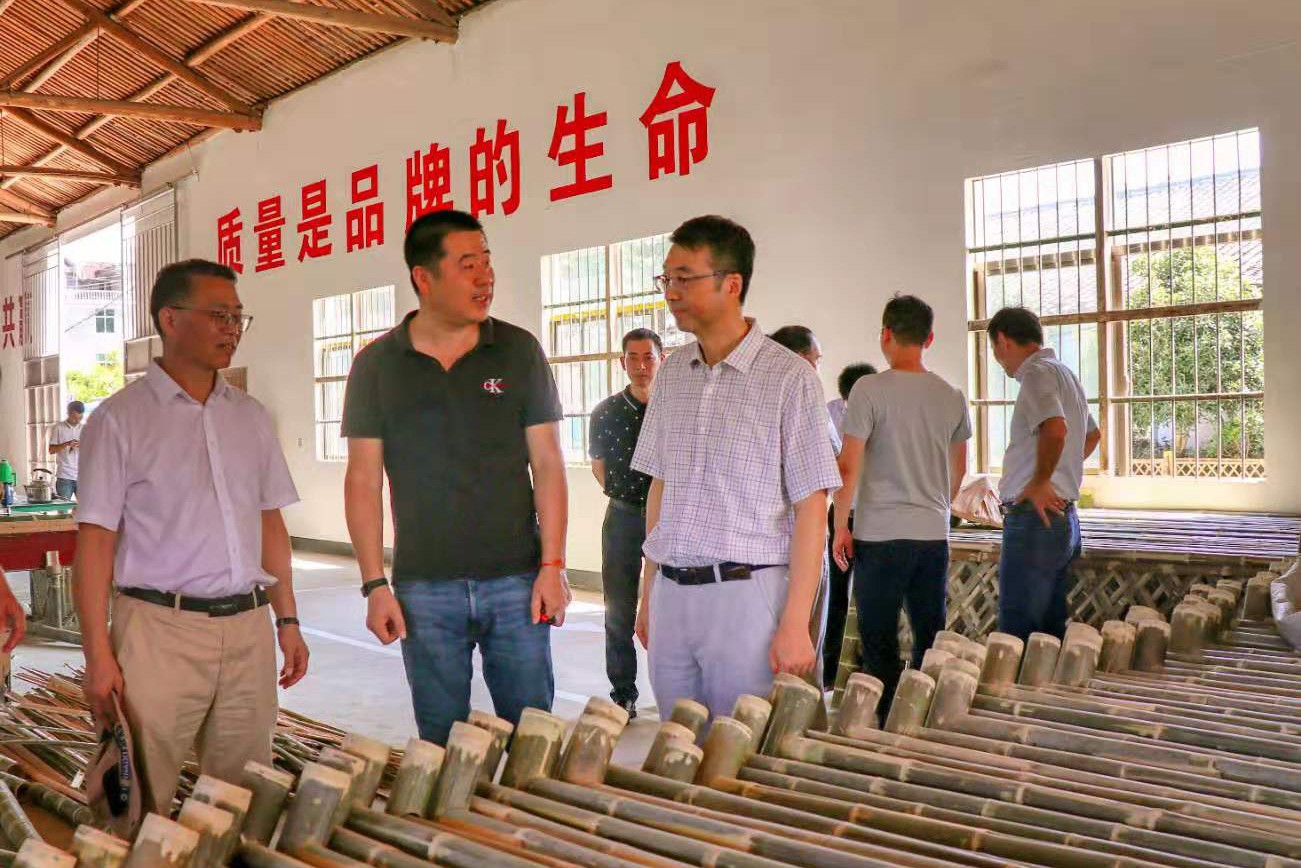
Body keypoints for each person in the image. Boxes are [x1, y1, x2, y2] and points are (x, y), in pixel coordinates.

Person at [75, 259, 309, 819]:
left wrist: (288, 620)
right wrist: (97, 655)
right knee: (136, 800)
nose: (231, 329)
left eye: (237, 317)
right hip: (159, 632)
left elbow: (269, 525)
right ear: (171, 319)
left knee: (240, 800)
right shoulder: (120, 420)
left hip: (248, 629)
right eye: (218, 315)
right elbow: (96, 545)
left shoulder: (251, 418)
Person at [342, 209, 570, 746]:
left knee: (533, 737)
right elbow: (363, 480)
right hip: (424, 589)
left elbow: (548, 463)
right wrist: (375, 584)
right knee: (440, 743)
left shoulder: (518, 351)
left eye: (487, 262)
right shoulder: (377, 366)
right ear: (424, 277)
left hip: (517, 582)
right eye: (469, 265)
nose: (486, 276)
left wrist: (553, 566)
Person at [631, 215, 840, 722]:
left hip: (748, 595)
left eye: (685, 278)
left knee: (742, 747)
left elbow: (813, 508)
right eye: (666, 278)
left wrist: (796, 622)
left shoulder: (789, 378)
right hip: (672, 595)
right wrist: (648, 591)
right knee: (678, 745)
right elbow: (660, 486)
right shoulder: (673, 373)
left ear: (731, 284)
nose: (671, 291)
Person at [833, 294, 970, 721]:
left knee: (878, 638)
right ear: (930, 338)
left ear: (885, 335)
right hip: (931, 534)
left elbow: (848, 466)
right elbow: (959, 469)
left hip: (879, 534)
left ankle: (885, 721)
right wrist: (935, 505)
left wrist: (840, 526)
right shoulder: (951, 395)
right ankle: (924, 719)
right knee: (930, 634)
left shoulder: (869, 389)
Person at [988, 307, 1100, 641]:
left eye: (994, 349)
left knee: (1016, 631)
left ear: (1003, 340)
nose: (998, 360)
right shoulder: (1065, 373)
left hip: (1035, 519)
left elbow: (1055, 428)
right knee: (1047, 630)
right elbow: (1092, 435)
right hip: (1062, 517)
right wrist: (1060, 472)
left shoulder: (1036, 373)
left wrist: (1040, 482)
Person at [589, 328, 664, 718]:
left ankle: (671, 688)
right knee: (617, 608)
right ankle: (623, 692)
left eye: (648, 357)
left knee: (669, 604)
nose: (641, 365)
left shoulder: (673, 409)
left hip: (669, 519)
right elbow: (599, 467)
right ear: (622, 362)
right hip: (622, 516)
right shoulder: (605, 412)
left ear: (661, 360)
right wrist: (627, 499)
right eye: (633, 357)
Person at [822, 362, 876, 685]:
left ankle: (866, 668)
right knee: (837, 593)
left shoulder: (884, 414)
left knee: (871, 594)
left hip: (875, 513)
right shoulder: (830, 413)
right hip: (842, 513)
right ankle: (831, 668)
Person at [49, 401, 85, 500]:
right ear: (68, 413)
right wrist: (66, 444)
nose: (77, 420)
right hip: (64, 476)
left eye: (80, 418)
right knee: (63, 508)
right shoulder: (58, 427)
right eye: (74, 418)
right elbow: (51, 450)